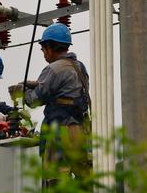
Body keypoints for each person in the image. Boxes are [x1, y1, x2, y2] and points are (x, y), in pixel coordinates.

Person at [11, 23, 91, 179]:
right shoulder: (80, 67)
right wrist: (36, 84)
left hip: (60, 131)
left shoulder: (53, 69)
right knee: (85, 178)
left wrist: (22, 91)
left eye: (43, 49)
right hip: (80, 130)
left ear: (49, 47)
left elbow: (35, 100)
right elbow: (66, 90)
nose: (44, 54)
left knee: (56, 179)